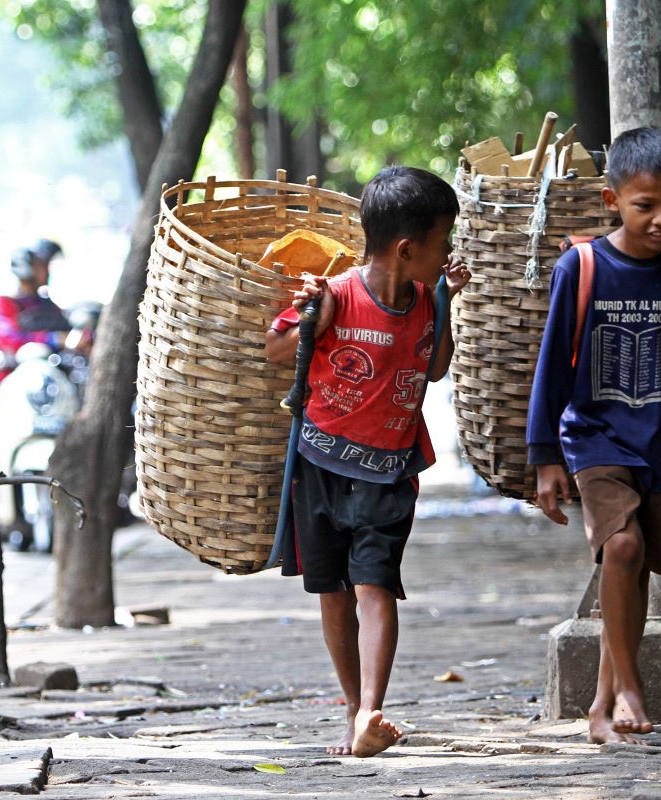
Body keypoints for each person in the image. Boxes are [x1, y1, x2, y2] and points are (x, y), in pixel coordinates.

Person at [526, 127, 661, 745]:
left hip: (659, 444)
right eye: (645, 205)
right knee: (620, 551)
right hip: (594, 439)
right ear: (610, 199)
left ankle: (599, 706)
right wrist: (545, 457)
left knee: (637, 569)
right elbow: (552, 365)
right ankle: (629, 687)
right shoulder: (583, 266)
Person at [264, 166, 470, 758]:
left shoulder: (428, 299)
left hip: (390, 471)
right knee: (333, 592)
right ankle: (353, 709)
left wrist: (446, 303)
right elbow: (275, 349)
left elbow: (433, 369)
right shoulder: (335, 293)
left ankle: (373, 710)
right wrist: (315, 320)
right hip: (322, 466)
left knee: (376, 587)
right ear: (408, 249)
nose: (449, 253)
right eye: (443, 242)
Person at [0, 239, 71, 384]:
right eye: (41, 265)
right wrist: (54, 339)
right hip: (13, 382)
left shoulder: (46, 304)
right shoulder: (6, 304)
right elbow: (8, 338)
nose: (47, 271)